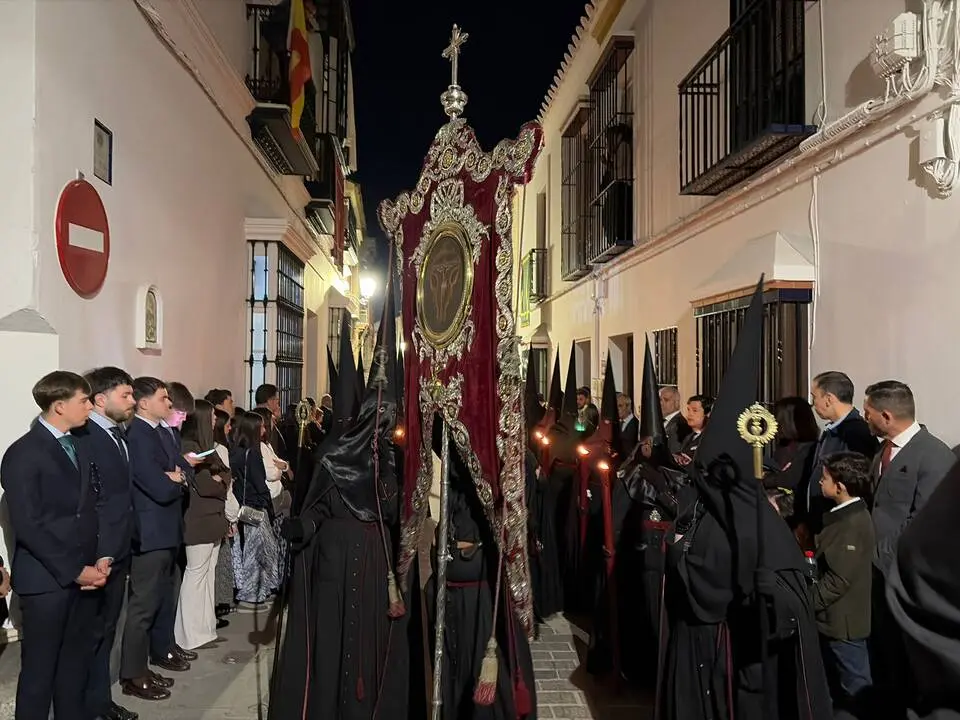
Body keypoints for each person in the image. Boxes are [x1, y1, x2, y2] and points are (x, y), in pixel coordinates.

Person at [659, 280, 831, 720]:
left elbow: (789, 605)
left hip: (743, 663)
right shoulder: (712, 512)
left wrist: (764, 593)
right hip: (707, 652)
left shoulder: (760, 524)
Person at [270, 287, 409, 719]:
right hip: (333, 561)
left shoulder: (389, 457)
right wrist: (301, 527)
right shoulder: (332, 455)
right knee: (332, 640)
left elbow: (393, 512)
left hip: (373, 562)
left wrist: (387, 471)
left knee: (368, 639)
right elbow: (317, 509)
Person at [1, 371, 104, 720]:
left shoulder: (78, 444)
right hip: (46, 580)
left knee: (74, 669)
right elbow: (29, 525)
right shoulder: (23, 453)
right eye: (84, 401)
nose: (90, 407)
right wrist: (74, 570)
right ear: (59, 406)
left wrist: (99, 557)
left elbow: (89, 507)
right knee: (39, 673)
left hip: (85, 575)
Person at [120, 377, 194, 701]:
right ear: (144, 402)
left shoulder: (162, 432)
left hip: (168, 528)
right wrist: (173, 478)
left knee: (164, 598)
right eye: (164, 398)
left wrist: (176, 476)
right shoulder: (138, 435)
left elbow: (184, 472)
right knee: (144, 606)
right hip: (150, 531)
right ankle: (133, 674)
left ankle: (157, 654)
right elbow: (158, 487)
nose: (170, 404)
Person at [74, 367, 140, 720]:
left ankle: (100, 701)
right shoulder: (87, 438)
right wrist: (100, 551)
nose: (132, 401)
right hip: (99, 552)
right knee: (92, 633)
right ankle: (88, 705)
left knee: (107, 629)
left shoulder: (118, 434)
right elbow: (92, 502)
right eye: (125, 395)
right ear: (101, 399)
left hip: (119, 546)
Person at [813, 452, 875, 716]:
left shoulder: (852, 524)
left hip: (843, 624)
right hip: (833, 620)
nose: (820, 482)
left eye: (825, 478)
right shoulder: (843, 516)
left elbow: (838, 580)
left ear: (840, 486)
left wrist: (807, 601)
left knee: (855, 688)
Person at [175, 399, 230, 650]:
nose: (215, 420)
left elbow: (226, 473)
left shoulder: (207, 447)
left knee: (207, 576)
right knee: (196, 576)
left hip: (212, 519)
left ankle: (206, 629)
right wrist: (219, 480)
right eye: (211, 417)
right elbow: (207, 485)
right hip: (199, 521)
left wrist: (221, 478)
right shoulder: (189, 446)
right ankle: (189, 635)